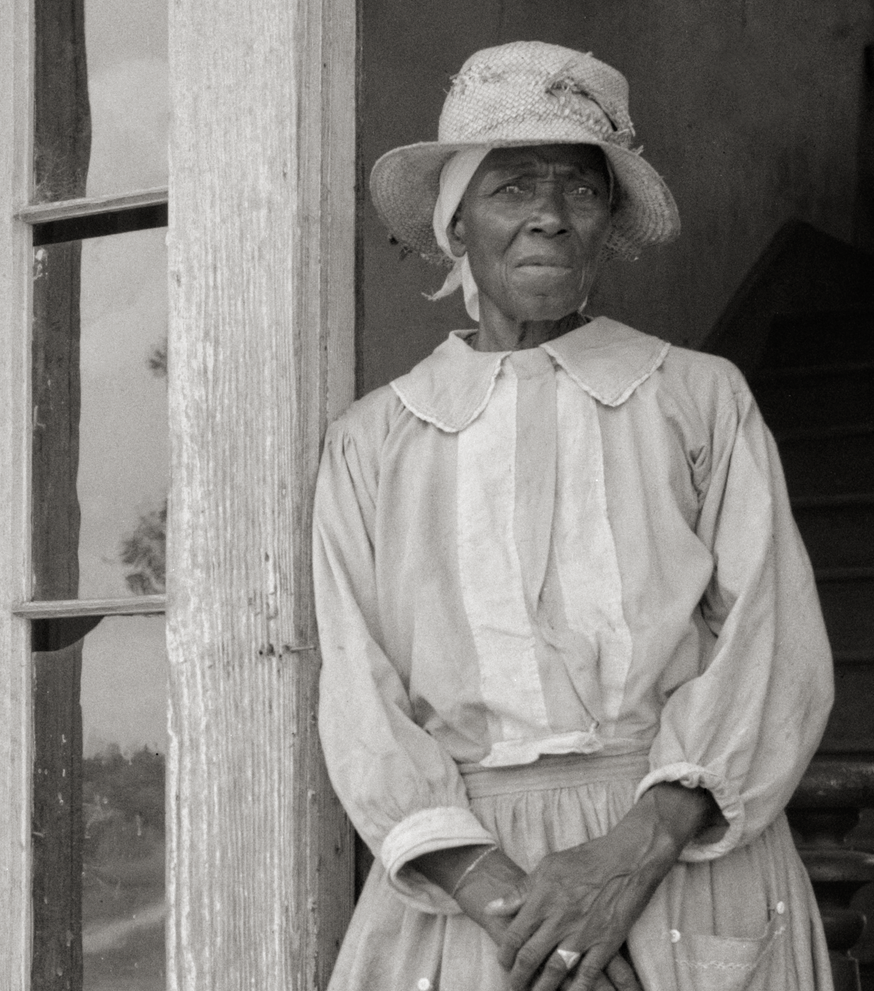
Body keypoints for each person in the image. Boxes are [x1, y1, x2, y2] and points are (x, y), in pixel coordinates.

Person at [313, 40, 835, 991]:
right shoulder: (371, 444)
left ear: (606, 226)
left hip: (679, 855)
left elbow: (773, 643)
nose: (548, 215)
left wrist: (627, 860)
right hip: (466, 889)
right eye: (512, 186)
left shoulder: (700, 400)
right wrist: (526, 915)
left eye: (579, 190)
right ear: (455, 219)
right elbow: (362, 705)